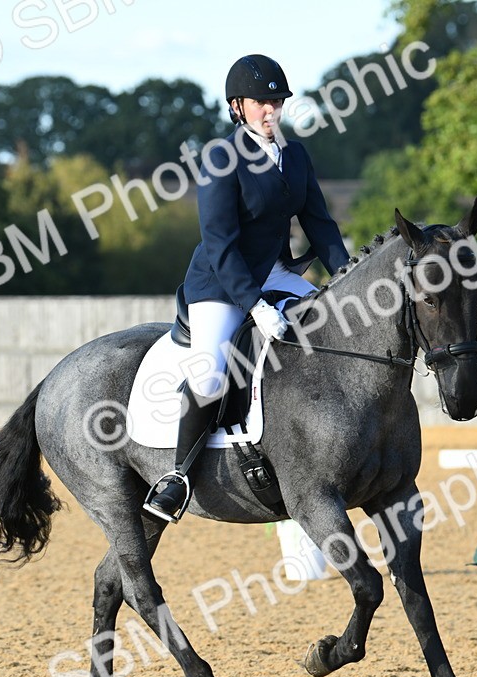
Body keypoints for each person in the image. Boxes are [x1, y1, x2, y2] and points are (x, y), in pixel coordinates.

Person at [143, 54, 351, 523]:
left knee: (332, 331)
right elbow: (220, 242)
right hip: (221, 282)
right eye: (260, 102)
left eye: (276, 101)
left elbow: (320, 224)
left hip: (275, 271)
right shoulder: (221, 156)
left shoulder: (294, 155)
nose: (270, 110)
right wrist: (254, 304)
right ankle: (177, 476)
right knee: (211, 374)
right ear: (237, 106)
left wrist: (346, 278)